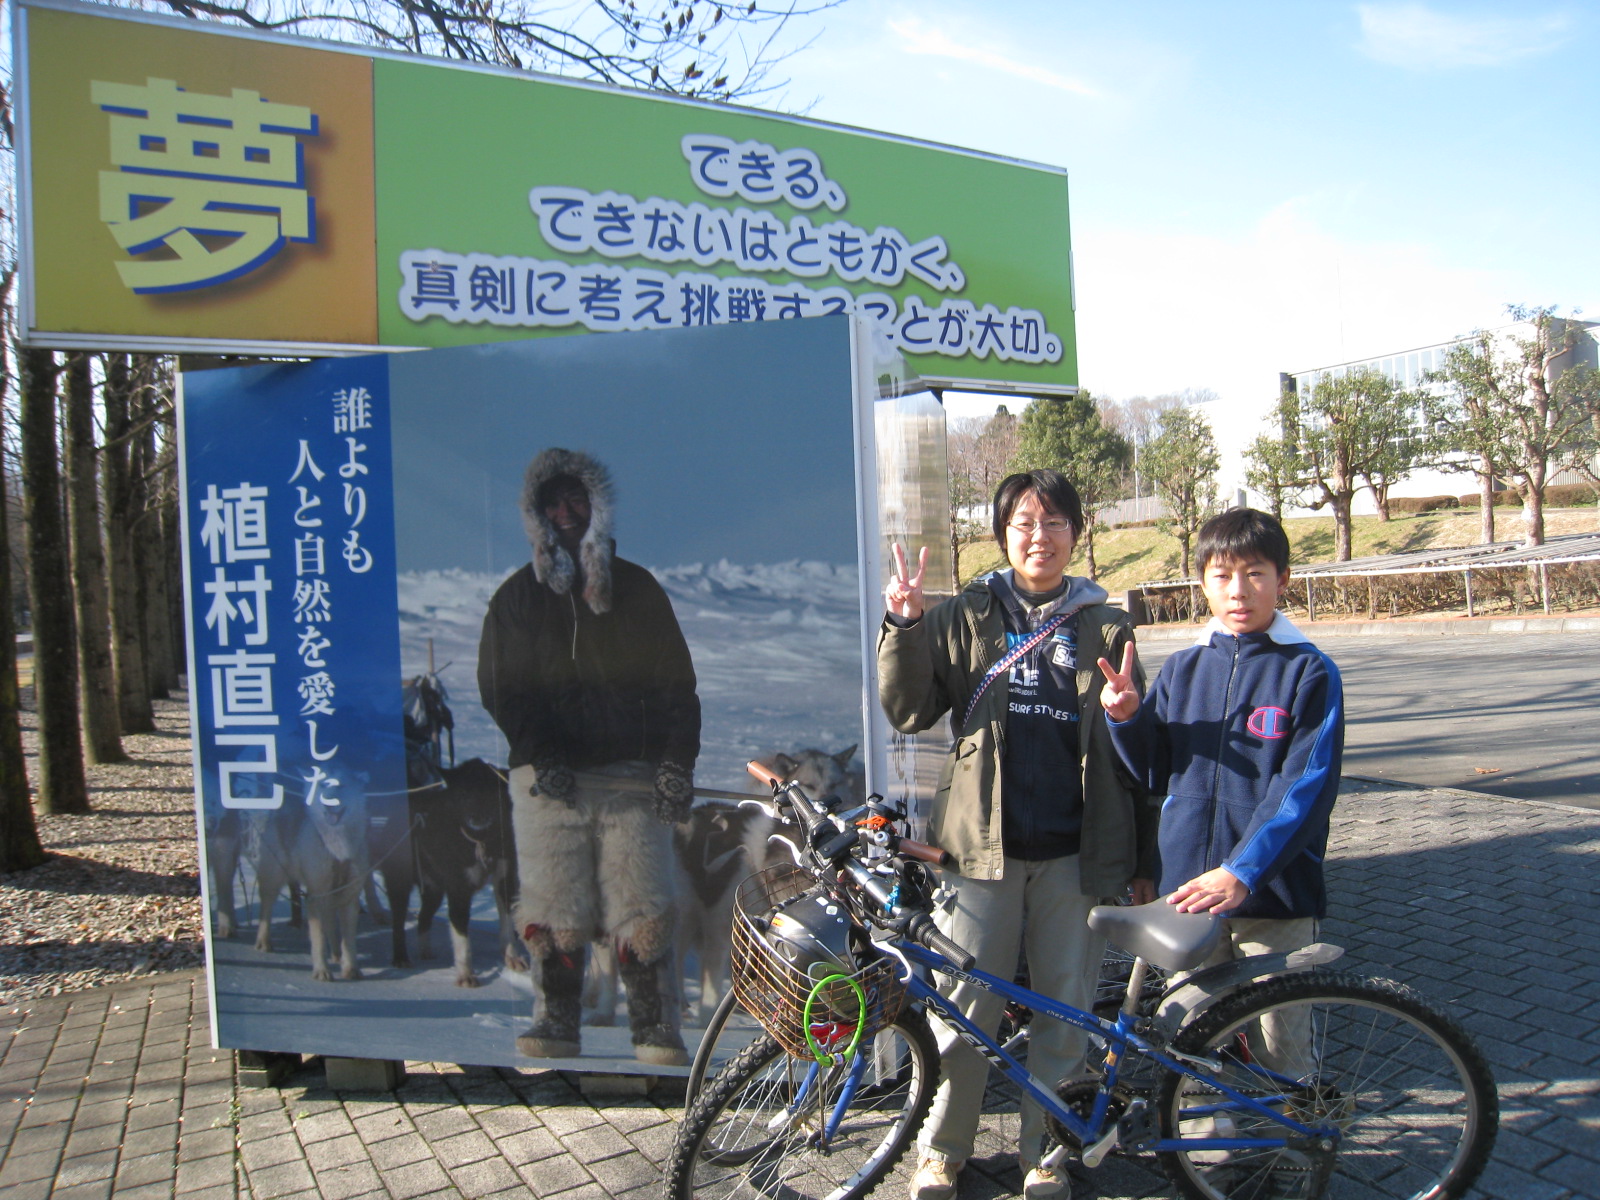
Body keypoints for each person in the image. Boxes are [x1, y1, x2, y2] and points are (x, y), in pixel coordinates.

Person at [878, 469, 1156, 1200]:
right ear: (1003, 533)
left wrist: (1132, 721)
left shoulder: (1107, 624)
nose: (1041, 536)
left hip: (1076, 852)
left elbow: (1135, 759)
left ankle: (1048, 1154)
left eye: (1055, 522)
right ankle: (942, 1150)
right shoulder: (970, 613)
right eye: (1025, 523)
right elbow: (908, 710)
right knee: (965, 1012)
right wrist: (905, 625)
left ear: (1076, 532)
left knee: (1064, 1014)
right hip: (978, 850)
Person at [1097, 507, 1344, 1074]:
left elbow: (1305, 786)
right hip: (1188, 891)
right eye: (1222, 575)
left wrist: (1242, 871)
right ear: (1202, 582)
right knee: (1190, 1038)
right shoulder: (1185, 669)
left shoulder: (1309, 672)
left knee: (1281, 1042)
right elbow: (1153, 773)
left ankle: (1290, 1150)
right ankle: (1207, 1146)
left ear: (1282, 580)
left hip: (1274, 898)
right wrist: (1129, 718)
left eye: (1255, 573)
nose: (1239, 591)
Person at [478, 447, 701, 1066]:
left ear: (596, 507)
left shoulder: (638, 589)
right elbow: (501, 687)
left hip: (631, 776)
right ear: (538, 515)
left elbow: (675, 685)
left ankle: (655, 1025)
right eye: (553, 502)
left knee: (643, 903)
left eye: (577, 498)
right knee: (555, 904)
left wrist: (675, 764)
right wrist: (540, 751)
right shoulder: (516, 601)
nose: (566, 511)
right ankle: (556, 1018)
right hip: (547, 782)